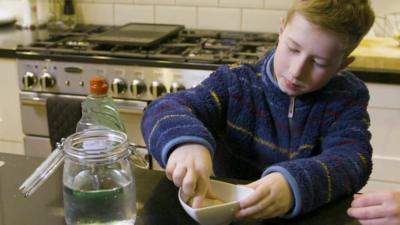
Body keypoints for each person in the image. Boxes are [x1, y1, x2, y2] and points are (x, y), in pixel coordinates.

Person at [141, 0, 375, 220]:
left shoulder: (346, 98)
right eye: (293, 49)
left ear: (342, 65)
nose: (296, 71)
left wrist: (294, 184)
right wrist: (185, 143)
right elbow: (164, 108)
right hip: (227, 218)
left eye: (319, 62)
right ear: (281, 30)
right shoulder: (235, 84)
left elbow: (353, 159)